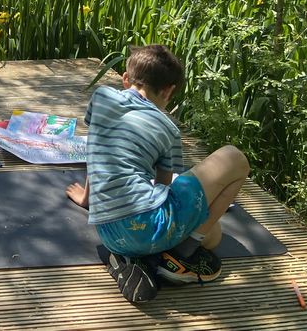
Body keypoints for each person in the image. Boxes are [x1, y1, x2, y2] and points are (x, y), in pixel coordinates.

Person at [65, 45, 250, 302]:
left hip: (109, 234)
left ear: (125, 78)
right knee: (234, 159)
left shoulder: (101, 98)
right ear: (168, 91)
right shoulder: (168, 128)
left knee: (213, 230)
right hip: (151, 228)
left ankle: (137, 257)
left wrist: (87, 199)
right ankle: (180, 253)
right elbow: (164, 188)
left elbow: (96, 147)